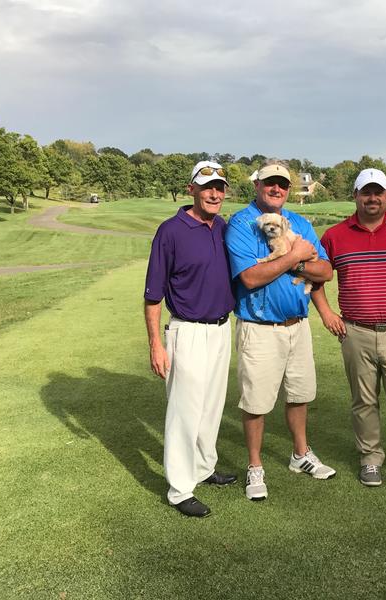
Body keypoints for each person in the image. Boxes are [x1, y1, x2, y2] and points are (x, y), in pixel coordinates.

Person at [311, 168, 386, 487]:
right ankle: (370, 458)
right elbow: (316, 276)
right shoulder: (335, 235)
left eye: (378, 192)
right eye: (366, 192)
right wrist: (326, 313)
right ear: (355, 196)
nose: (372, 198)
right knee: (363, 400)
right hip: (356, 331)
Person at [225, 159, 336, 501]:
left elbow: (325, 271)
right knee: (256, 401)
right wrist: (296, 257)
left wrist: (298, 260)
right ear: (257, 185)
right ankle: (255, 465)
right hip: (260, 327)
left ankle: (300, 454)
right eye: (270, 182)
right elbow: (250, 277)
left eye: (283, 184)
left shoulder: (299, 222)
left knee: (299, 394)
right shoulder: (242, 223)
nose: (277, 189)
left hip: (297, 325)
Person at [143, 160, 237, 518]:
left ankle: (203, 467)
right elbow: (153, 295)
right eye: (207, 186)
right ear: (191, 189)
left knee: (211, 407)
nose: (214, 193)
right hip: (188, 329)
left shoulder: (222, 227)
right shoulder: (170, 231)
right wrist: (156, 344)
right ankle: (180, 489)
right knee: (185, 411)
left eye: (219, 188)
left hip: (221, 328)